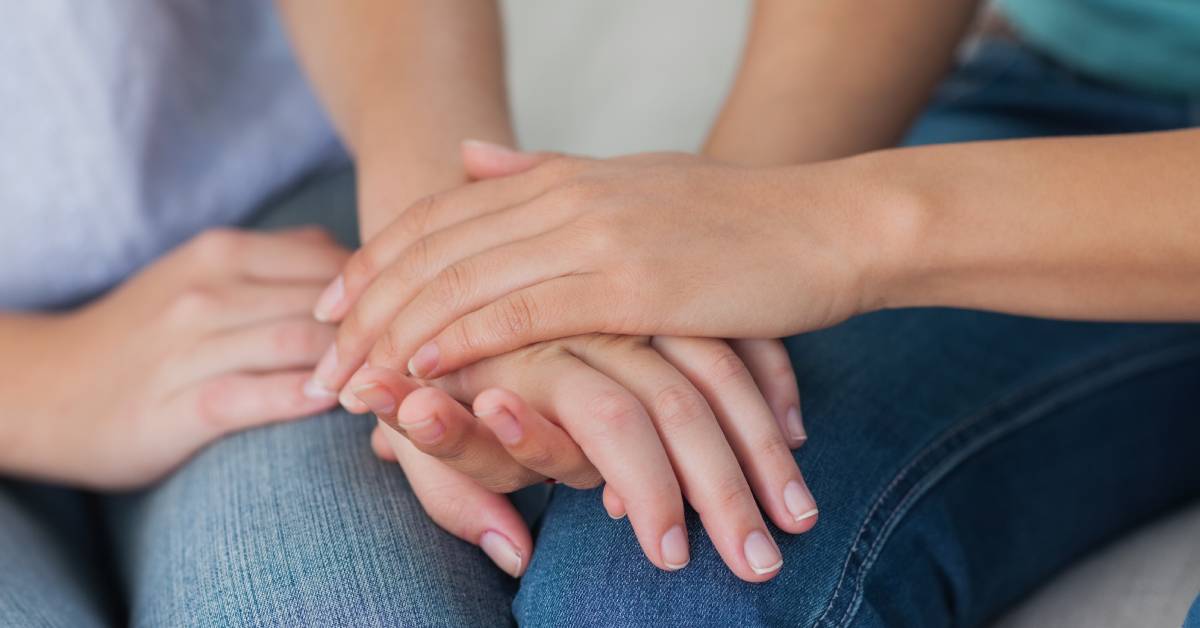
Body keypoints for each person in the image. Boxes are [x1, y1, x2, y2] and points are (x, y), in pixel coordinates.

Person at [314, 1, 1200, 626]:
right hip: (1074, 103)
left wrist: (843, 226)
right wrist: (705, 254)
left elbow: (829, 231)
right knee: (663, 593)